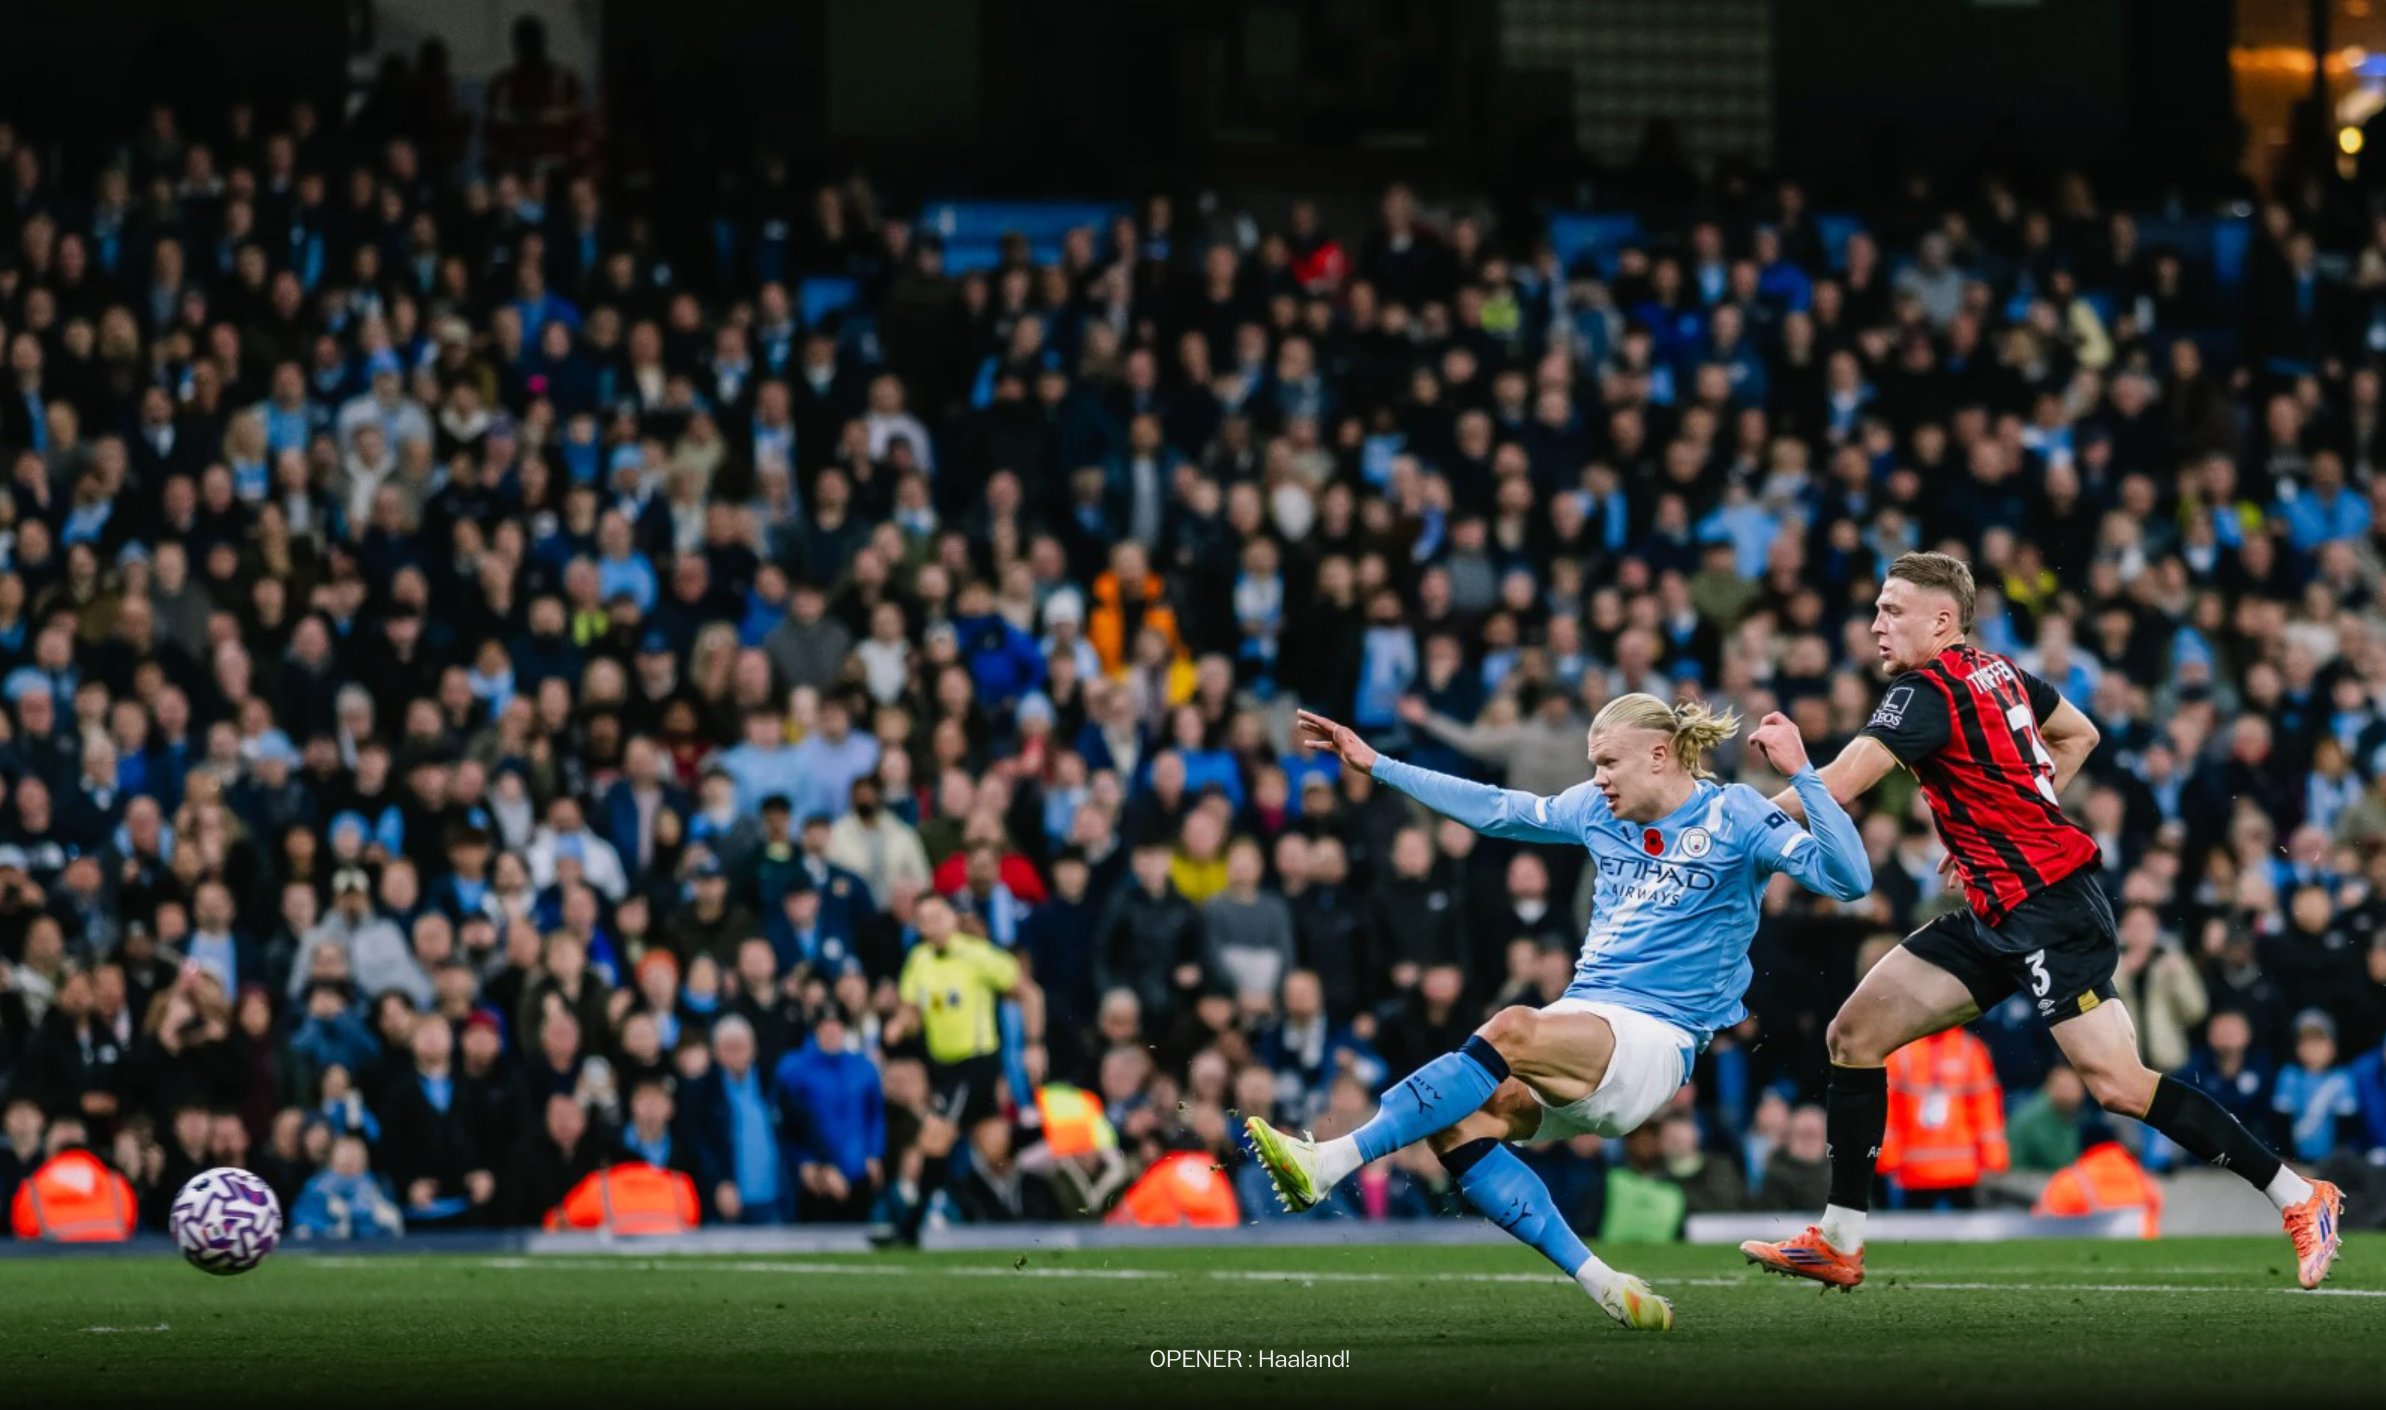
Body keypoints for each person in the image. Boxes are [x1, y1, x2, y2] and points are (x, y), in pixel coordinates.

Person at [1741, 552, 2341, 1291]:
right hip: (2001, 907)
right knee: (1853, 1036)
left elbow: (1839, 786)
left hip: (2053, 908)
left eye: (1892, 610)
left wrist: (1730, 819)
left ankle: (2301, 1196)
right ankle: (1839, 1241)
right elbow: (2079, 735)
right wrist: (2006, 824)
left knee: (2119, 1086)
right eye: (1876, 609)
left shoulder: (1922, 691)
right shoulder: (2002, 672)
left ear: (1942, 620)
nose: (1875, 624)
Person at [1245, 693, 1869, 1331]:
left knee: (1512, 1026)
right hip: (1586, 1025)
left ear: (1659, 756)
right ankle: (1603, 1282)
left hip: (1656, 1041)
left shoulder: (1738, 814)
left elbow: (1851, 880)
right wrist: (1377, 763)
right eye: (1592, 763)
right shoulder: (1596, 810)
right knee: (1457, 1126)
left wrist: (1802, 775)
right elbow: (1495, 808)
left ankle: (1328, 1163)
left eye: (1607, 762)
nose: (1597, 777)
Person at [887, 892, 1033, 1236]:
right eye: (924, 920)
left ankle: (910, 1226)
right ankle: (1009, 1215)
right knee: (992, 1144)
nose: (932, 926)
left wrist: (1034, 1045)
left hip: (975, 1063)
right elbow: (912, 1009)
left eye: (938, 916)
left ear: (952, 918)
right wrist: (899, 1024)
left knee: (934, 1137)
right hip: (944, 1067)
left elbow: (1027, 991)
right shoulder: (919, 959)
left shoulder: (976, 954)